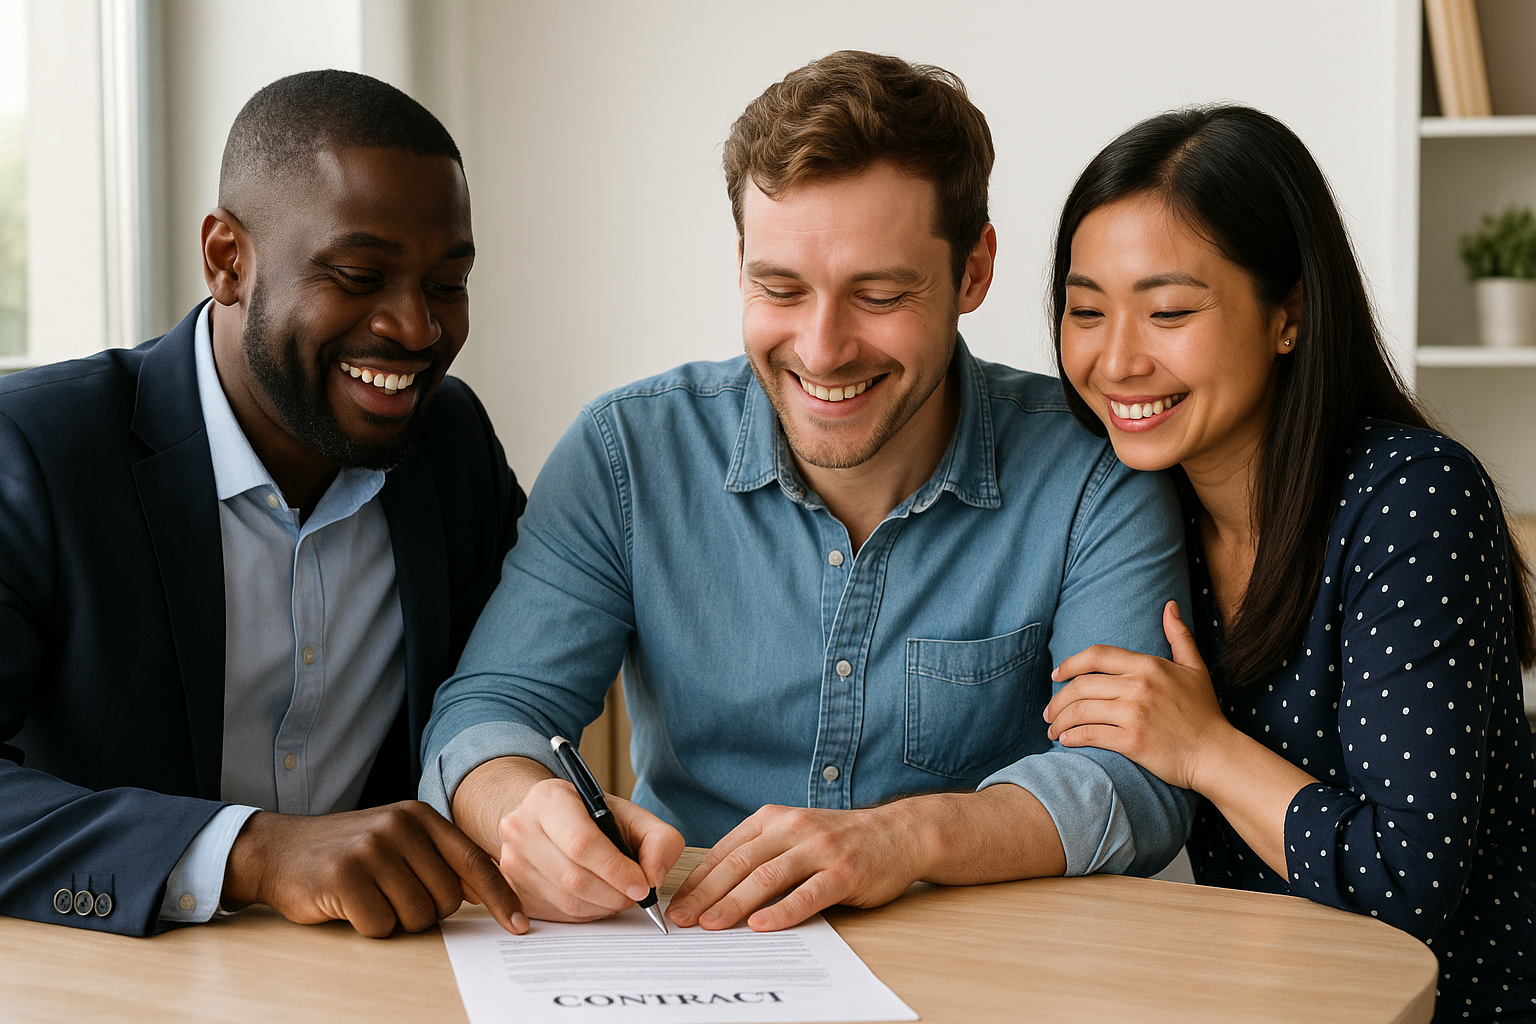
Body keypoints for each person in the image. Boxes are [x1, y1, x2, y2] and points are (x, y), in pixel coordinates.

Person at [422, 50, 1197, 935]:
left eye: (879, 293)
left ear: (973, 272)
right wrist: (520, 809)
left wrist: (907, 839)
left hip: (982, 970)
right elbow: (486, 715)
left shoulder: (1093, 471)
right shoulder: (626, 453)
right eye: (779, 288)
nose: (823, 349)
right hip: (684, 953)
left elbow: (1140, 783)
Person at [0, 70, 528, 938]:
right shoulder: (38, 452)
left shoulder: (451, 447)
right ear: (226, 260)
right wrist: (251, 851)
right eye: (360, 275)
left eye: (447, 285)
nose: (416, 328)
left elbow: (499, 696)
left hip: (382, 981)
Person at [1042, 105, 1535, 1023]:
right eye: (1085, 310)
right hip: (1268, 999)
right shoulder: (1131, 507)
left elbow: (1407, 885)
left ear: (1289, 316)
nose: (1116, 359)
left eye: (1169, 311)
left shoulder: (1415, 499)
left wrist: (1202, 749)